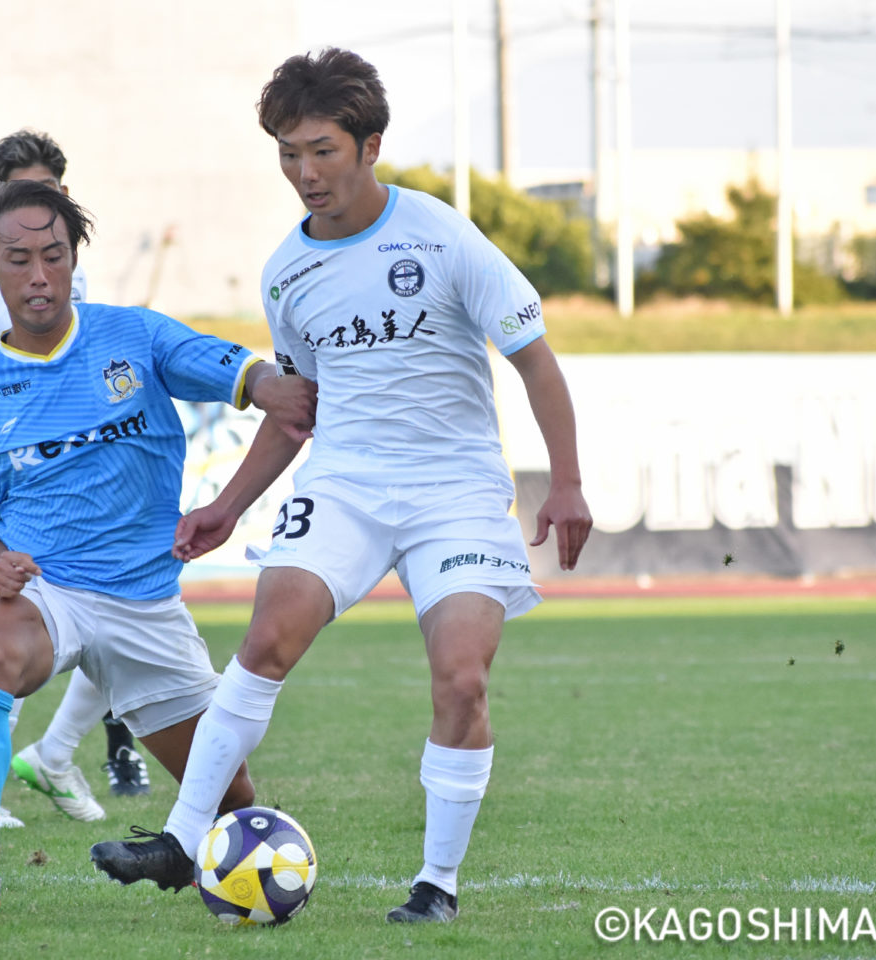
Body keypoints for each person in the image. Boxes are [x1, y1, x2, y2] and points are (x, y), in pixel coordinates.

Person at [89, 47, 592, 925]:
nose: (306, 173)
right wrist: (226, 506)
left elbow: (536, 363)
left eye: (322, 150)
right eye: (288, 154)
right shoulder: (287, 272)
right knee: (266, 640)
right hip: (347, 483)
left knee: (462, 680)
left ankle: (436, 886)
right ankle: (180, 838)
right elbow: (299, 410)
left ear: (370, 146)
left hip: (455, 492)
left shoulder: (441, 235)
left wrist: (568, 484)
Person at [0, 180, 317, 927]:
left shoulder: (134, 337)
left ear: (75, 259)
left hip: (145, 602)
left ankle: (242, 886)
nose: (39, 275)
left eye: (54, 255)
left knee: (232, 805)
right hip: (48, 590)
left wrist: (271, 385)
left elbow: (242, 372)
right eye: (19, 260)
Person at [0, 129, 144, 826]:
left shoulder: (74, 274)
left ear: (64, 195)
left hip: (84, 487)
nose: (32, 215)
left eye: (42, 193)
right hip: (14, 489)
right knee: (5, 630)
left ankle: (54, 755)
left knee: (126, 615)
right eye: (14, 196)